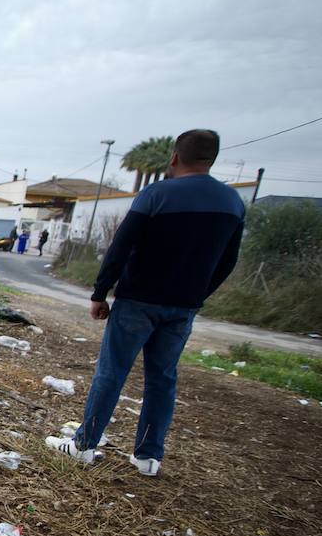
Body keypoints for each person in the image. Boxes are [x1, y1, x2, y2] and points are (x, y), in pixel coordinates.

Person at [46, 129, 244, 476]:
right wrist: (199, 294)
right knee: (162, 378)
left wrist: (100, 291)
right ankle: (148, 457)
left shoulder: (157, 194)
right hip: (183, 307)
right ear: (211, 159)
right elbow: (228, 261)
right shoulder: (232, 202)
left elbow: (122, 245)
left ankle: (84, 445)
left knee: (112, 373)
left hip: (138, 299)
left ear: (174, 158)